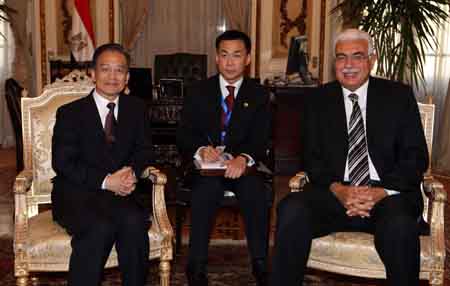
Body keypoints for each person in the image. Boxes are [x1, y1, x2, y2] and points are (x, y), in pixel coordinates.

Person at [270, 29, 429, 286]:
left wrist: (380, 192)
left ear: (372, 59)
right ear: (335, 63)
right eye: (341, 58)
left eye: (357, 56)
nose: (349, 65)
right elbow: (311, 158)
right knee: (291, 209)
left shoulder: (398, 96)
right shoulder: (317, 99)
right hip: (335, 193)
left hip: (386, 196)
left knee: (401, 227)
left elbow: (416, 156)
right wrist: (338, 190)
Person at [51, 43, 153, 286]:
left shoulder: (137, 109)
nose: (112, 76)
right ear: (93, 74)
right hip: (79, 193)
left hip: (123, 194)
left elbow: (145, 151)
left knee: (134, 223)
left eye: (119, 71)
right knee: (99, 227)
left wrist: (132, 174)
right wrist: (107, 181)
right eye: (105, 69)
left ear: (127, 77)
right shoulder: (70, 113)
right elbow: (63, 162)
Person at [177, 30, 271, 286]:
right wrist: (200, 150)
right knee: (204, 193)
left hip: (242, 168)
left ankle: (260, 263)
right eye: (224, 55)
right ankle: (196, 266)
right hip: (208, 169)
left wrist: (244, 158)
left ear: (248, 58)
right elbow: (184, 134)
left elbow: (262, 138)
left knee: (255, 193)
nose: (230, 62)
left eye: (237, 55)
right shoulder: (198, 91)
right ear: (217, 59)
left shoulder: (259, 94)